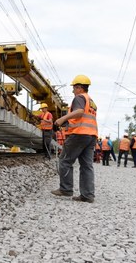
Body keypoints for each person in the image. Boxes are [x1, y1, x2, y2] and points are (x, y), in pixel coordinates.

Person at [51, 75, 97, 203]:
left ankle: (65, 189)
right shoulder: (91, 101)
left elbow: (79, 112)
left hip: (79, 134)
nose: (73, 91)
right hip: (91, 135)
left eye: (74, 88)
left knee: (65, 160)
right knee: (87, 166)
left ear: (79, 87)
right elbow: (83, 116)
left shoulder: (79, 98)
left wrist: (62, 119)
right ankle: (87, 195)